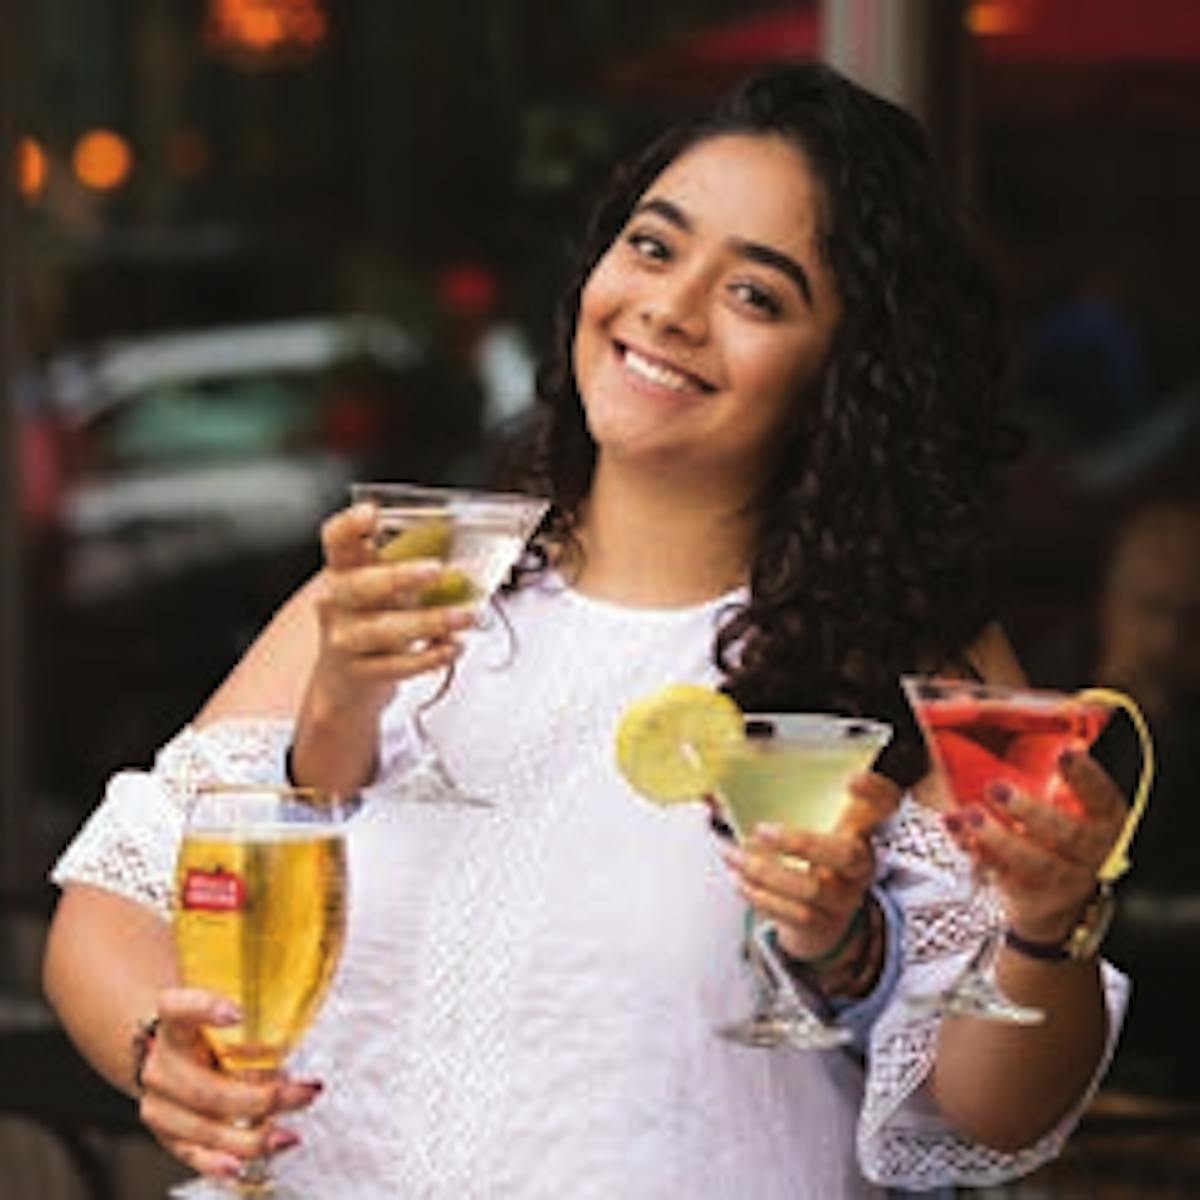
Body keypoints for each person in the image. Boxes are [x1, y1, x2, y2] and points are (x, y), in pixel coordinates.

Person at [43, 62, 1130, 1198]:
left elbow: (995, 1112)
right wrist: (159, 1052)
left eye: (756, 295)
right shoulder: (399, 596)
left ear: (841, 379)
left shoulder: (907, 661)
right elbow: (111, 911)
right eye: (654, 247)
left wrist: (1048, 929)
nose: (667, 305)